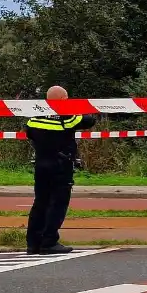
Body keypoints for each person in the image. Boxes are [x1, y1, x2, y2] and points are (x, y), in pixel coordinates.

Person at [25, 85, 96, 254]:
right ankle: (49, 242)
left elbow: (29, 132)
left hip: (41, 164)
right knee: (57, 203)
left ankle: (33, 243)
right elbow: (89, 120)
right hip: (61, 164)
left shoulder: (35, 116)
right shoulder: (67, 116)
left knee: (40, 202)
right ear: (64, 100)